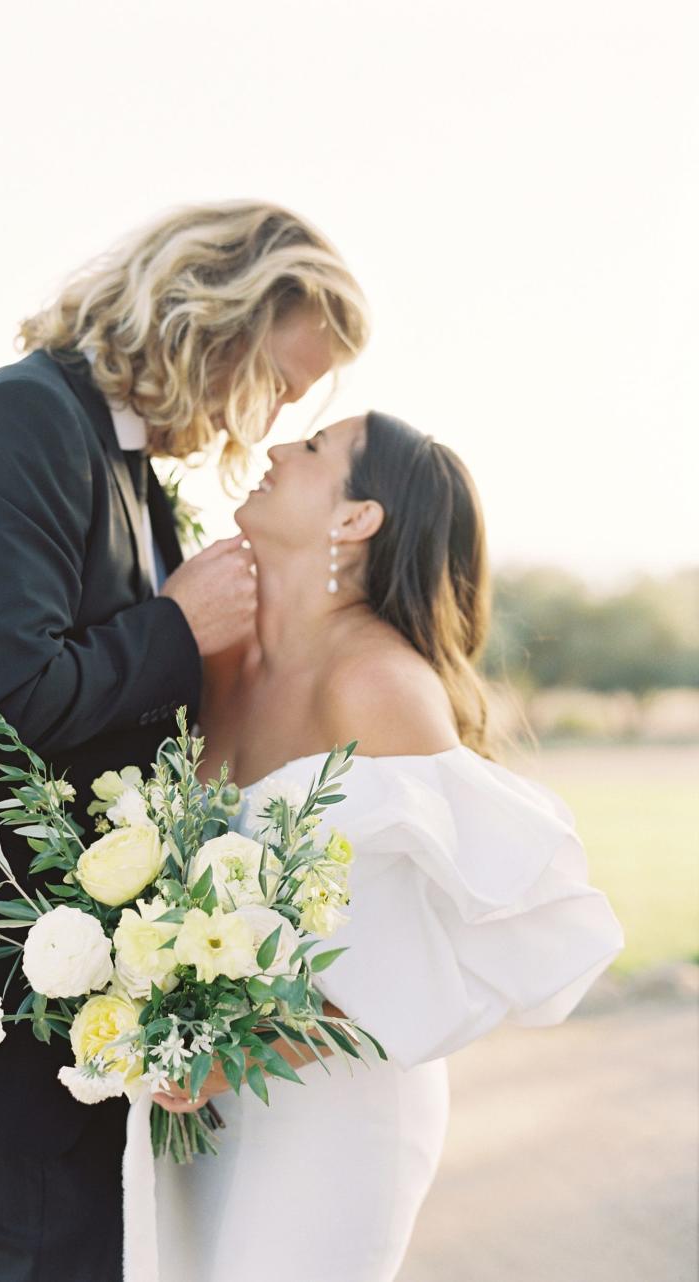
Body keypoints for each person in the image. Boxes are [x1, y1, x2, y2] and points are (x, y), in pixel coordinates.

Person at [0, 202, 369, 1281]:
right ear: (209, 322)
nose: (264, 425)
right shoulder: (16, 424)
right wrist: (178, 622)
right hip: (3, 954)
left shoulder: (120, 458)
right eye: (277, 383)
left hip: (73, 968)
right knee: (44, 1256)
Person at [152, 412, 624, 1282]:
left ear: (355, 518)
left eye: (313, 448)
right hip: (198, 1106)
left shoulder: (377, 684)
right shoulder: (216, 662)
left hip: (333, 1111)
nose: (277, 449)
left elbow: (474, 941)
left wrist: (252, 1049)